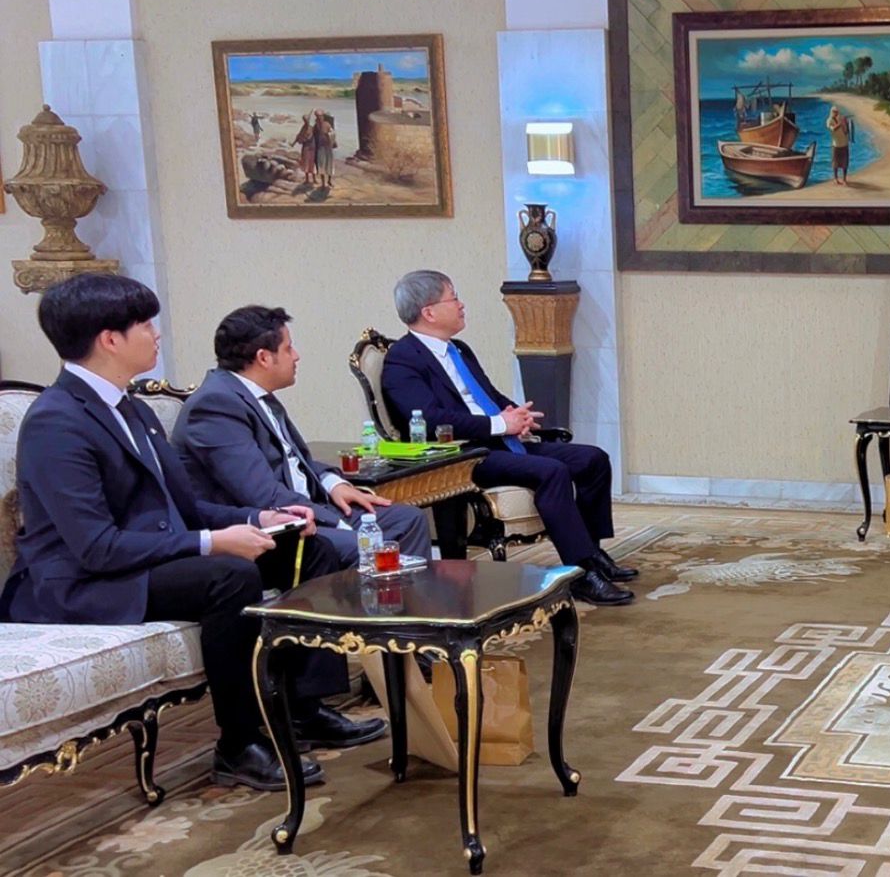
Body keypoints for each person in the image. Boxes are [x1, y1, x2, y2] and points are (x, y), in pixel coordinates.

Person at [0, 273, 385, 792]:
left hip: (142, 558)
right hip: (83, 581)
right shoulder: (57, 421)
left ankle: (301, 708)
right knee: (229, 576)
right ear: (109, 339)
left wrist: (257, 519)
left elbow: (184, 507)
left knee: (308, 547)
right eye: (145, 324)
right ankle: (237, 745)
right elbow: (96, 546)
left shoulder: (132, 407)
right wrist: (212, 542)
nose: (156, 334)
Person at [381, 269, 637, 607]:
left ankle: (593, 552)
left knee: (592, 459)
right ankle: (581, 573)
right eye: (453, 298)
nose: (461, 305)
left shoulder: (458, 349)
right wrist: (500, 425)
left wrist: (515, 414)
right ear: (429, 312)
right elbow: (430, 419)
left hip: (501, 441)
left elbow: (487, 394)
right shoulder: (402, 359)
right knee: (551, 471)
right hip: (465, 456)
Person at [173, 305, 431, 568]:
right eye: (288, 349)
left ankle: (404, 595)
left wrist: (333, 483)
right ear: (264, 358)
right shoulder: (215, 406)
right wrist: (338, 523)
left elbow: (293, 461)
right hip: (273, 525)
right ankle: (374, 593)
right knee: (361, 544)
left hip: (311, 507)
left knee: (407, 520)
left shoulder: (256, 395)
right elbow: (263, 495)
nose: (296, 356)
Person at [313, 110, 336, 188]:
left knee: (329, 164)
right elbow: (313, 136)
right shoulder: (316, 126)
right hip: (320, 148)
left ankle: (329, 180)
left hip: (328, 147)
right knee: (321, 165)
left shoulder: (327, 124)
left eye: (320, 116)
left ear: (323, 117)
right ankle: (323, 183)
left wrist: (329, 136)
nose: (319, 118)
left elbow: (332, 133)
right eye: (317, 117)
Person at [827, 106, 850, 184]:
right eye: (834, 111)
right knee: (835, 163)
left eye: (836, 112)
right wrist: (840, 123)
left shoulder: (840, 119)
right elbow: (833, 129)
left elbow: (846, 131)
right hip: (836, 144)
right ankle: (835, 178)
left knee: (845, 163)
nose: (836, 113)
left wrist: (846, 123)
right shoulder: (829, 120)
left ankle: (844, 179)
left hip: (844, 143)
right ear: (831, 112)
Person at [292, 113, 316, 184]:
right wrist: (294, 143)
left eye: (306, 120)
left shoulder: (311, 128)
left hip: (312, 147)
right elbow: (299, 135)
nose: (306, 121)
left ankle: (314, 179)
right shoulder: (303, 128)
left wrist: (303, 140)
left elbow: (310, 137)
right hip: (305, 147)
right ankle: (307, 179)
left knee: (312, 163)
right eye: (304, 120)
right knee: (305, 163)